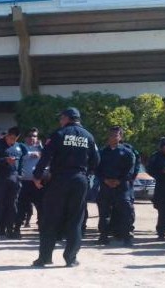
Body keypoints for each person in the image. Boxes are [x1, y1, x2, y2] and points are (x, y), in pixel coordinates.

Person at [32, 107, 100, 268]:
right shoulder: (89, 136)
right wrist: (86, 173)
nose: (60, 121)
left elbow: (45, 157)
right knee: (75, 219)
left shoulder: (59, 134)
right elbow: (96, 161)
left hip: (59, 180)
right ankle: (70, 258)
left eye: (61, 118)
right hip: (80, 181)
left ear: (67, 118)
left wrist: (37, 176)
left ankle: (45, 258)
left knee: (50, 219)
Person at [96, 126, 136, 246]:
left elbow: (131, 170)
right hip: (105, 186)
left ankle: (127, 236)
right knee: (104, 212)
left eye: (116, 135)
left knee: (126, 211)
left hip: (122, 186)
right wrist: (105, 180)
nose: (113, 137)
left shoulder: (127, 152)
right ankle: (103, 236)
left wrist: (120, 180)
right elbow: (97, 168)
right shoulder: (102, 152)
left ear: (120, 137)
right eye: (111, 135)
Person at [0, 126, 25, 240]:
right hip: (0, 178)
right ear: (7, 135)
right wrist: (5, 160)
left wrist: (20, 174)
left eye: (15, 139)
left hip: (14, 179)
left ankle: (9, 230)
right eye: (11, 138)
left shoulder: (19, 147)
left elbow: (21, 161)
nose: (12, 141)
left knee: (12, 206)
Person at [14, 128, 44, 235]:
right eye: (30, 135)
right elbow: (18, 157)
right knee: (21, 207)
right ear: (25, 137)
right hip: (24, 182)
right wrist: (30, 155)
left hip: (37, 182)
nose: (32, 138)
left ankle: (42, 229)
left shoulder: (42, 149)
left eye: (35, 136)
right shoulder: (21, 147)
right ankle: (16, 229)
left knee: (41, 207)